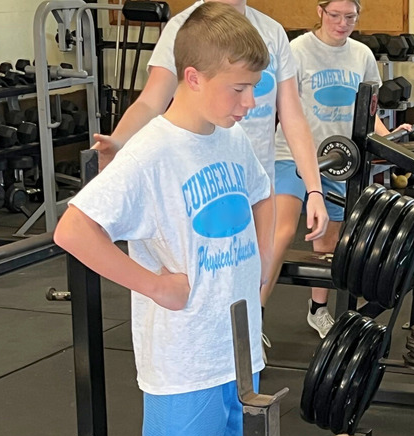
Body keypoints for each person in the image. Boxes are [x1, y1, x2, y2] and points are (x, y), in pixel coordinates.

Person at [54, 3, 274, 436]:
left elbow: (260, 202)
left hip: (236, 349)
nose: (249, 103)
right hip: (184, 359)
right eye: (239, 88)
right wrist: (152, 283)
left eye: (253, 88)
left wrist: (258, 279)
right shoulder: (151, 152)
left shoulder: (229, 138)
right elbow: (73, 230)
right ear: (192, 76)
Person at [93, 0, 329, 343]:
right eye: (240, 89)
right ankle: (206, 350)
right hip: (199, 179)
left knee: (245, 274)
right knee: (205, 279)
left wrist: (314, 189)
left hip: (250, 179)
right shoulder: (186, 27)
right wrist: (119, 141)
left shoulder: (271, 32)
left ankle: (246, 336)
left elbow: (292, 115)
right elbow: (151, 101)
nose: (248, 99)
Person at [271, 0, 401, 339]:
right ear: (320, 11)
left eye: (350, 17)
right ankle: (255, 314)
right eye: (335, 15)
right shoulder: (297, 51)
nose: (342, 23)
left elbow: (368, 110)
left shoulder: (362, 55)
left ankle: (318, 309)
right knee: (281, 233)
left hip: (339, 161)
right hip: (291, 156)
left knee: (329, 243)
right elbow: (283, 106)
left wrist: (390, 139)